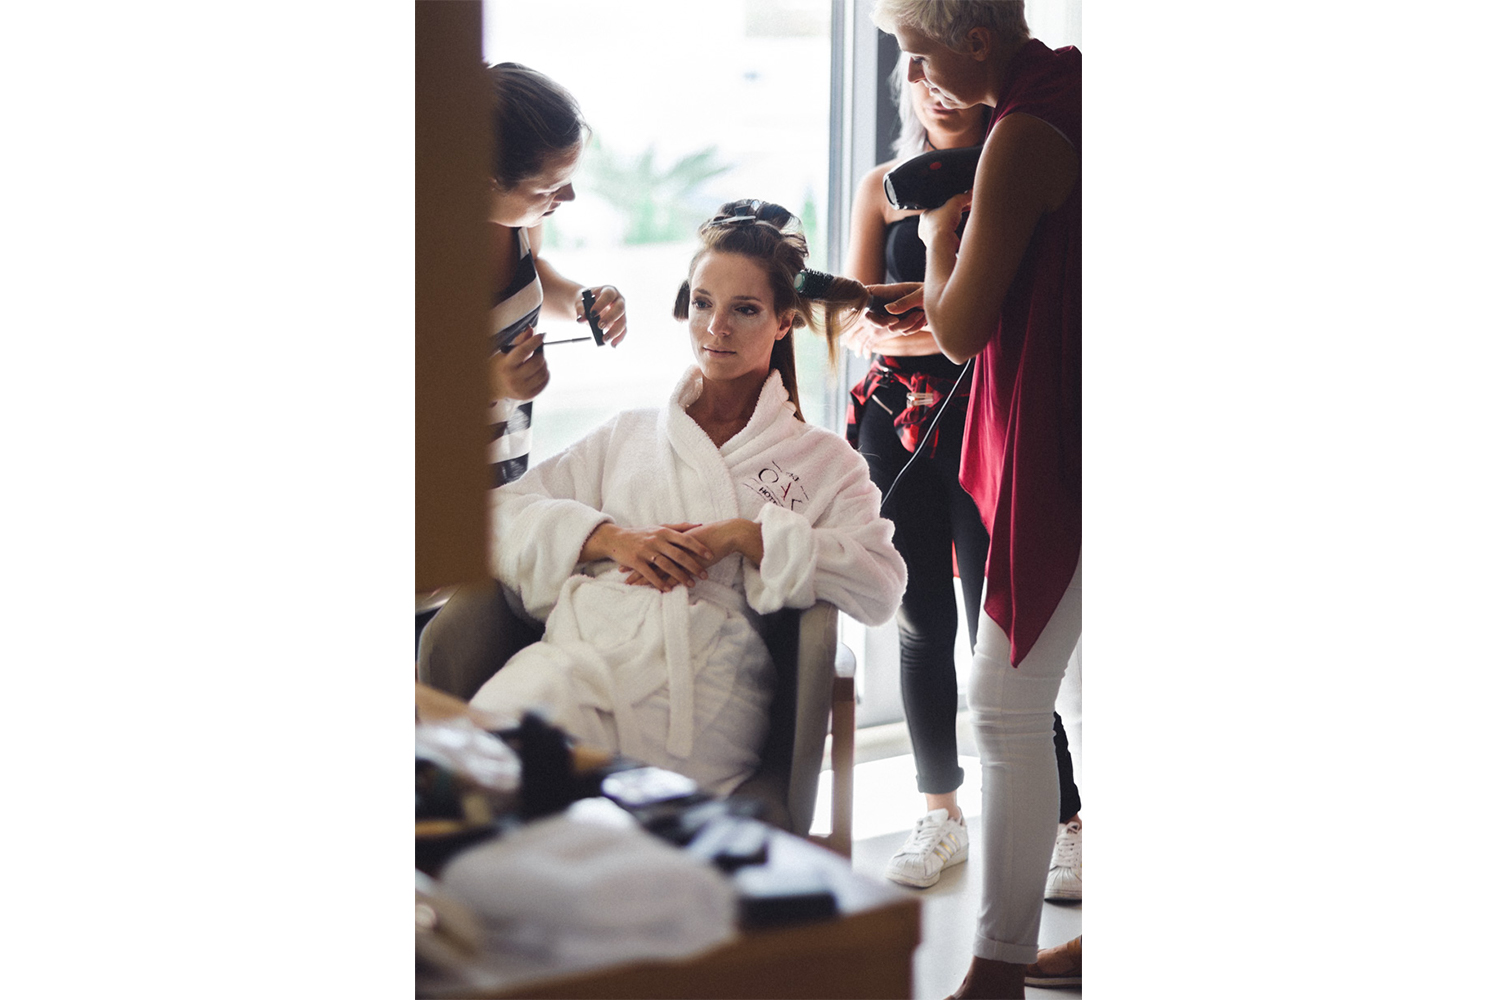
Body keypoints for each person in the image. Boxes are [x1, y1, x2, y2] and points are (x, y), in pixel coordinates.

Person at [463, 199, 906, 796]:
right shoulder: (629, 433)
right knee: (465, 777)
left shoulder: (824, 463)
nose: (715, 327)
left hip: (700, 688)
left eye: (745, 309)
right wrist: (607, 539)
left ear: (784, 322)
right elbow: (493, 517)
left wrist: (748, 537)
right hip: (574, 660)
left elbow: (881, 584)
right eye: (703, 303)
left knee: (564, 816)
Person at [866, 3, 1080, 997]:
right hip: (1062, 422)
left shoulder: (1023, 134)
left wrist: (937, 233)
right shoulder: (1071, 95)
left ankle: (990, 969)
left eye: (919, 51)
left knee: (1001, 704)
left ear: (979, 38)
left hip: (1059, 441)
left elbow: (954, 329)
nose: (919, 75)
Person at [485, 62, 628, 488]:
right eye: (550, 188)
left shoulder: (520, 220)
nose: (568, 196)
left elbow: (532, 280)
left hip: (504, 464)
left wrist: (583, 301)